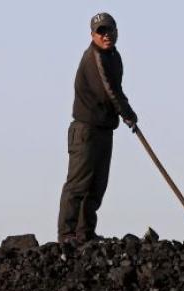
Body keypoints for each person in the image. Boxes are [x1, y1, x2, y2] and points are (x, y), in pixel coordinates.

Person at [57, 12, 138, 244]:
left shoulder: (114, 56)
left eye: (109, 30)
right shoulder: (95, 58)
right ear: (92, 35)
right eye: (100, 32)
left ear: (116, 31)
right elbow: (109, 92)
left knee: (97, 185)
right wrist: (127, 113)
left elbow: (117, 89)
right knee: (78, 184)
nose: (106, 36)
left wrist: (128, 113)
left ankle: (85, 233)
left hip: (103, 128)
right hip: (86, 130)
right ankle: (67, 235)